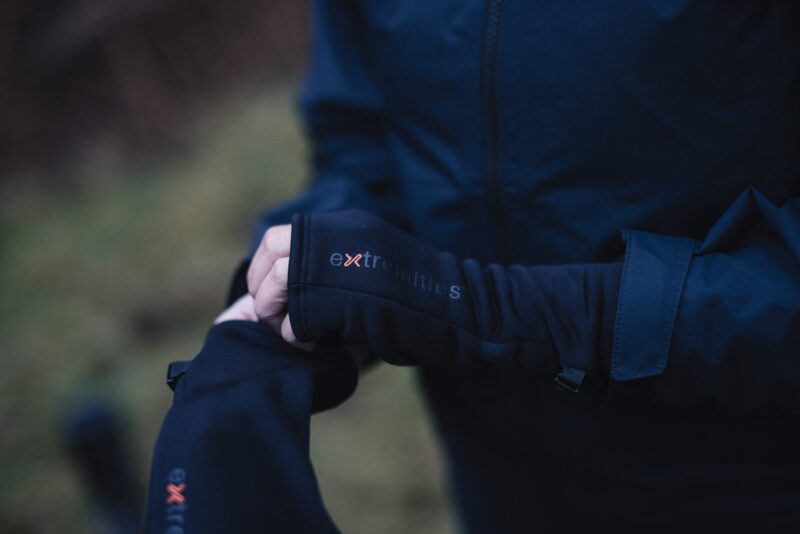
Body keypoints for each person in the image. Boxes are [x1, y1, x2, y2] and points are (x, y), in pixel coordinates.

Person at [147, 1, 800, 532]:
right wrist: (290, 301)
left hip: (746, 486)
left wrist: (495, 309)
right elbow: (366, 138)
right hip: (498, 482)